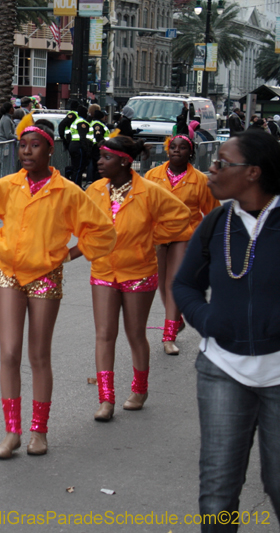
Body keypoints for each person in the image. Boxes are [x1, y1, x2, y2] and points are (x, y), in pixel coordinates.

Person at [0, 120, 116, 458]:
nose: (27, 151)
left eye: (35, 145)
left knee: (38, 355)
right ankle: (12, 432)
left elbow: (103, 232)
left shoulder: (68, 191)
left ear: (51, 150)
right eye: (23, 145)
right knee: (8, 353)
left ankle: (39, 430)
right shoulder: (6, 186)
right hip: (10, 274)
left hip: (45, 277)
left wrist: (67, 254)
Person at [173, 130, 280, 531]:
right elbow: (184, 285)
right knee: (218, 489)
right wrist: (208, 320)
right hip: (222, 370)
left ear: (252, 173)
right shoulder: (217, 222)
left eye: (221, 163)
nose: (210, 170)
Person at [84, 135, 190, 421]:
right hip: (104, 271)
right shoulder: (94, 190)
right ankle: (106, 400)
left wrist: (150, 238)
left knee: (134, 334)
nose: (99, 162)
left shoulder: (150, 191)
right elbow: (79, 223)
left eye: (106, 157)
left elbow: (181, 216)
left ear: (124, 161)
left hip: (139, 273)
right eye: (100, 157)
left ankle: (140, 390)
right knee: (104, 335)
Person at [144, 111, 219, 356]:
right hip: (158, 237)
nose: (176, 151)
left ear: (191, 153)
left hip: (185, 237)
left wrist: (212, 243)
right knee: (162, 286)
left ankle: (169, 336)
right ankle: (176, 320)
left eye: (182, 148)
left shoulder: (199, 180)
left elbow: (213, 213)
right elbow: (143, 208)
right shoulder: (152, 176)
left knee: (173, 284)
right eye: (172, 147)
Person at [88, 109, 110, 184]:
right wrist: (103, 144)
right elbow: (98, 136)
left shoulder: (94, 123)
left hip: (95, 147)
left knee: (94, 165)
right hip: (98, 148)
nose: (105, 117)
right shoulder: (97, 125)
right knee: (98, 165)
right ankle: (97, 181)